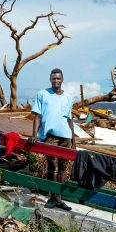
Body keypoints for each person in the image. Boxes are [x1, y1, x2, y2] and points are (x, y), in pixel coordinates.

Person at [28, 68, 75, 211]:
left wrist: (74, 140)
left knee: (62, 167)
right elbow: (37, 115)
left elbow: (69, 119)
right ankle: (52, 197)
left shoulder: (68, 97)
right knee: (51, 164)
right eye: (53, 78)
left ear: (62, 80)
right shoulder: (42, 94)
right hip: (49, 136)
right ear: (50, 79)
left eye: (58, 78)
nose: (56, 81)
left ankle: (58, 198)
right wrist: (34, 134)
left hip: (65, 136)